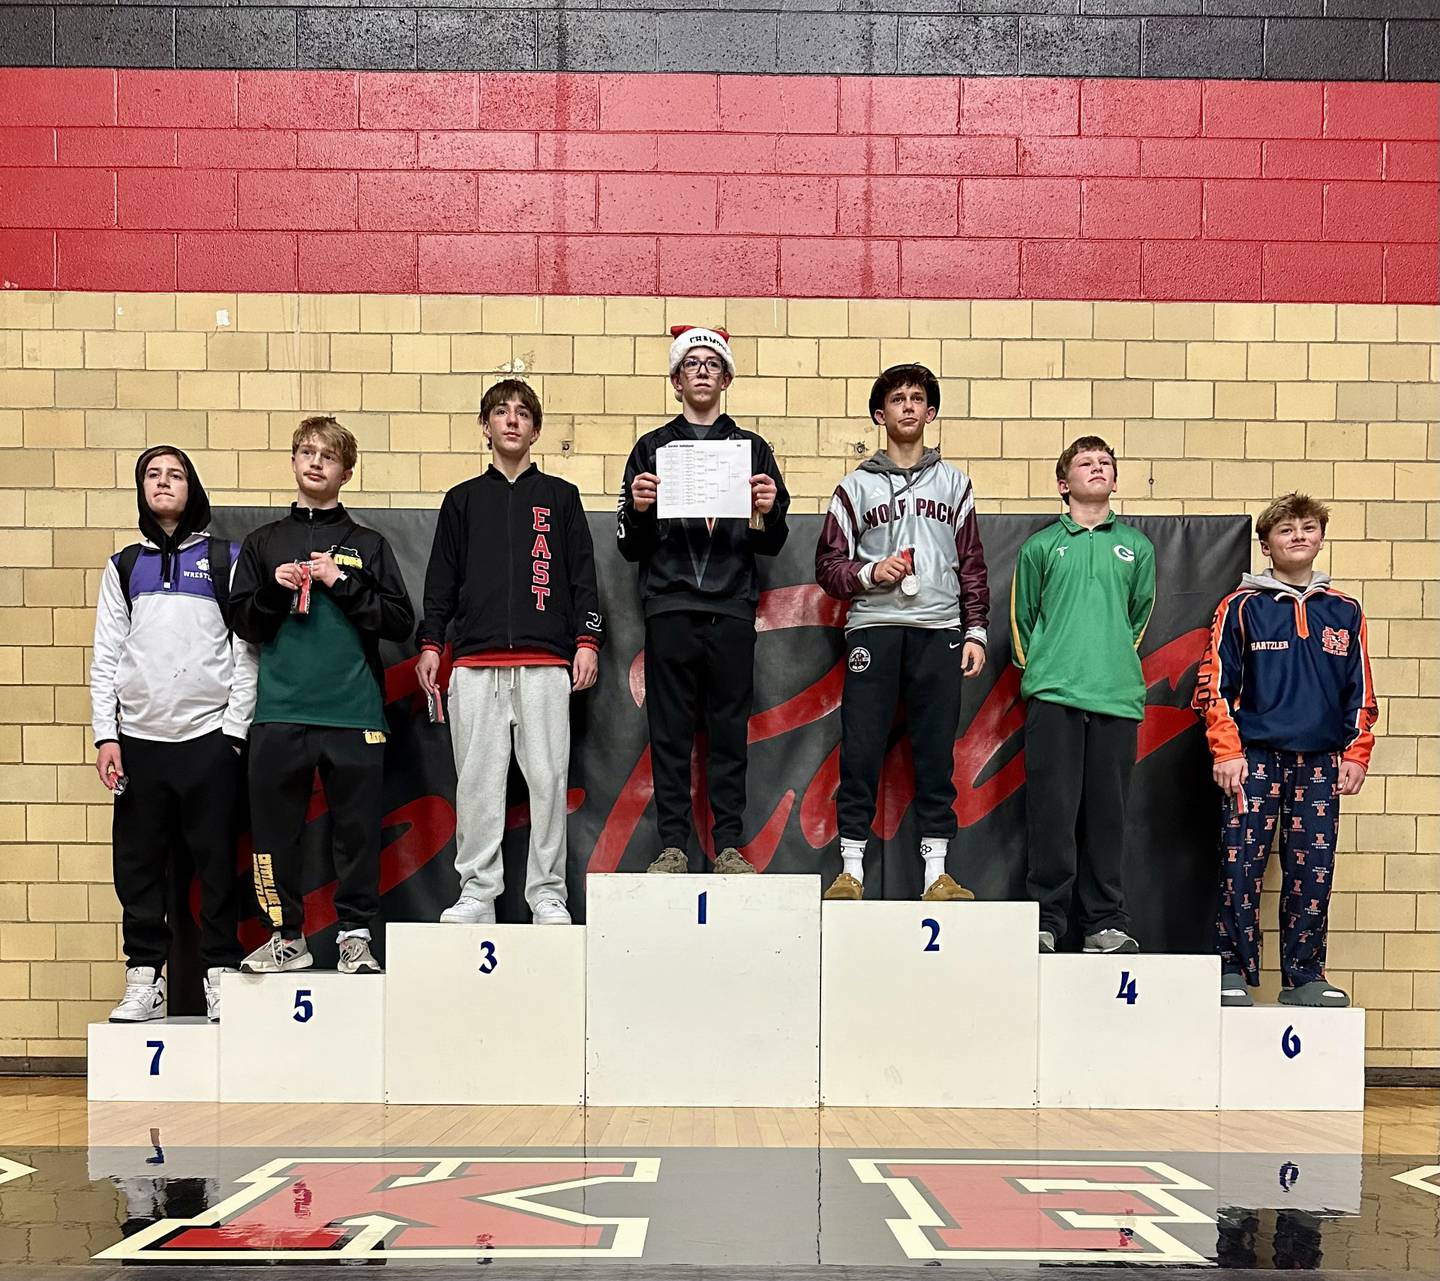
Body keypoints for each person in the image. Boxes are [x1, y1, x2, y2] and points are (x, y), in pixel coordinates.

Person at [228, 416, 415, 975]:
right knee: (271, 839)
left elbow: (401, 623)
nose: (315, 463)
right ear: (293, 462)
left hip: (353, 713)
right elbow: (242, 623)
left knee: (358, 836)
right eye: (306, 452)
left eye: (328, 457)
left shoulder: (368, 545)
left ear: (346, 472)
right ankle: (285, 937)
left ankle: (355, 936)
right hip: (279, 714)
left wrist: (342, 582)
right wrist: (273, 591)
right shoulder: (263, 544)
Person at [416, 379, 603, 926]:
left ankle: (547, 893)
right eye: (501, 412)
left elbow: (583, 581)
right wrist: (431, 643)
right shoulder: (462, 500)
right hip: (473, 663)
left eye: (523, 414)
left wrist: (586, 641)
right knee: (476, 784)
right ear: (486, 426)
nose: (513, 421)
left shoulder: (561, 498)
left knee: (547, 782)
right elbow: (440, 582)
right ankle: (477, 891)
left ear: (536, 430)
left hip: (547, 663)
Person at [90, 446, 257, 1023]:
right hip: (137, 742)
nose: (163, 483)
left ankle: (219, 975)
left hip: (208, 740)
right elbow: (106, 658)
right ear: (141, 489)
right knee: (137, 866)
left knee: (214, 866)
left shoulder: (224, 559)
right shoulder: (123, 565)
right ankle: (145, 980)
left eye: (175, 475)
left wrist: (233, 733)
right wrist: (104, 736)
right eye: (152, 475)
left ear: (193, 488)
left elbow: (246, 650)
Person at [616, 325, 790, 872]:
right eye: (690, 364)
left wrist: (767, 506)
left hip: (733, 607)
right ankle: (672, 846)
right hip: (669, 605)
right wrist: (640, 509)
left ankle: (730, 845)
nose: (701, 371)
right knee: (667, 733)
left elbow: (773, 541)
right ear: (675, 380)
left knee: (728, 733)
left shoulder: (753, 448)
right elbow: (629, 545)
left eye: (711, 364)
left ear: (727, 378)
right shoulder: (652, 448)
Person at [1193, 493, 1376, 1008]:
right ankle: (1229, 970)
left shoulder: (1344, 610)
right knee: (1240, 866)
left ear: (1320, 537)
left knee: (1312, 868)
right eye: (1286, 529)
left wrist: (1356, 754)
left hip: (1321, 762)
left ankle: (1304, 976)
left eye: (1308, 527)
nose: (1299, 535)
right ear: (1267, 545)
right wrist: (1226, 751)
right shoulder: (1241, 607)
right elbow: (1214, 685)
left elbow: (1360, 692)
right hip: (1253, 758)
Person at [815, 364, 990, 902]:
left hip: (939, 629)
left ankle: (936, 875)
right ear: (880, 415)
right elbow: (828, 566)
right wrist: (870, 573)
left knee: (936, 754)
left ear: (930, 413)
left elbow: (973, 564)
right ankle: (851, 872)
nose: (909, 406)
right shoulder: (853, 487)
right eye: (898, 399)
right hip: (874, 628)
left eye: (918, 399)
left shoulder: (956, 484)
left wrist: (977, 632)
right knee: (862, 750)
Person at [1011, 436, 1155, 955]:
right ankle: (1047, 920)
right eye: (1085, 463)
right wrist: (1051, 669)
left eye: (1106, 463)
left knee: (1107, 817)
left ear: (1114, 481)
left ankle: (1104, 923)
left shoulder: (1137, 548)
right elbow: (1023, 621)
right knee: (1052, 813)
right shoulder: (1041, 547)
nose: (1097, 468)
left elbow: (1136, 619)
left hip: (1116, 698)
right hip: (1054, 696)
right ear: (1063, 482)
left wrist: (1107, 663)